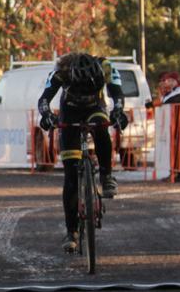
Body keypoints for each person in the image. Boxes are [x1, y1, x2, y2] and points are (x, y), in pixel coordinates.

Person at [37, 52, 127, 252]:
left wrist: (118, 112)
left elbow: (117, 94)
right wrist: (47, 116)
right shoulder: (61, 72)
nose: (86, 89)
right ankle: (72, 232)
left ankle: (106, 175)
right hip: (70, 110)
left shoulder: (105, 66)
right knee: (70, 176)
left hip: (96, 107)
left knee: (101, 128)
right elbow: (44, 99)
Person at [157, 70, 180, 183]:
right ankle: (175, 172)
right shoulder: (174, 91)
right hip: (174, 124)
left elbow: (168, 101)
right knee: (174, 149)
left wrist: (163, 96)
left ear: (177, 81)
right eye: (168, 80)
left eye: (172, 80)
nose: (169, 83)